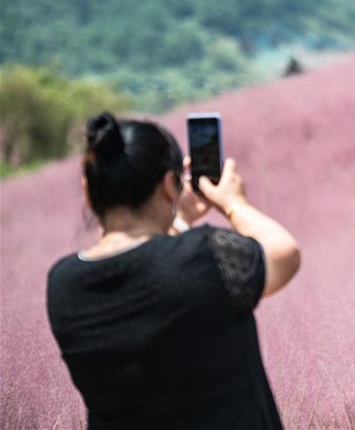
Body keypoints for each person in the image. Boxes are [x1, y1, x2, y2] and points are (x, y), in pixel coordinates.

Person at [46, 112, 300, 429]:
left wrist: (178, 219)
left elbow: (143, 264)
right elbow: (284, 254)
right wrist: (234, 203)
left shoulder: (63, 285)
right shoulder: (206, 256)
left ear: (88, 191)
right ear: (170, 185)